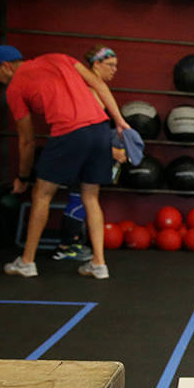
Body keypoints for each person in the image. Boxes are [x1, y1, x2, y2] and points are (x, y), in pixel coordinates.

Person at [0, 44, 130, 279]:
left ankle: (27, 261)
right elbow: (99, 84)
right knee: (90, 196)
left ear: (5, 66)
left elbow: (27, 141)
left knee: (42, 194)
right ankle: (99, 264)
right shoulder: (58, 56)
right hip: (101, 128)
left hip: (69, 131)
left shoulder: (14, 89)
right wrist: (120, 121)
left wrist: (23, 178)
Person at [52, 46, 126, 261]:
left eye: (116, 66)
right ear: (96, 64)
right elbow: (85, 130)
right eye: (110, 65)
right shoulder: (90, 91)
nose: (114, 70)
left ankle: (71, 244)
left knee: (81, 198)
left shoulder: (94, 88)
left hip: (84, 151)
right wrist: (110, 151)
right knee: (80, 199)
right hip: (78, 151)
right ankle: (67, 247)